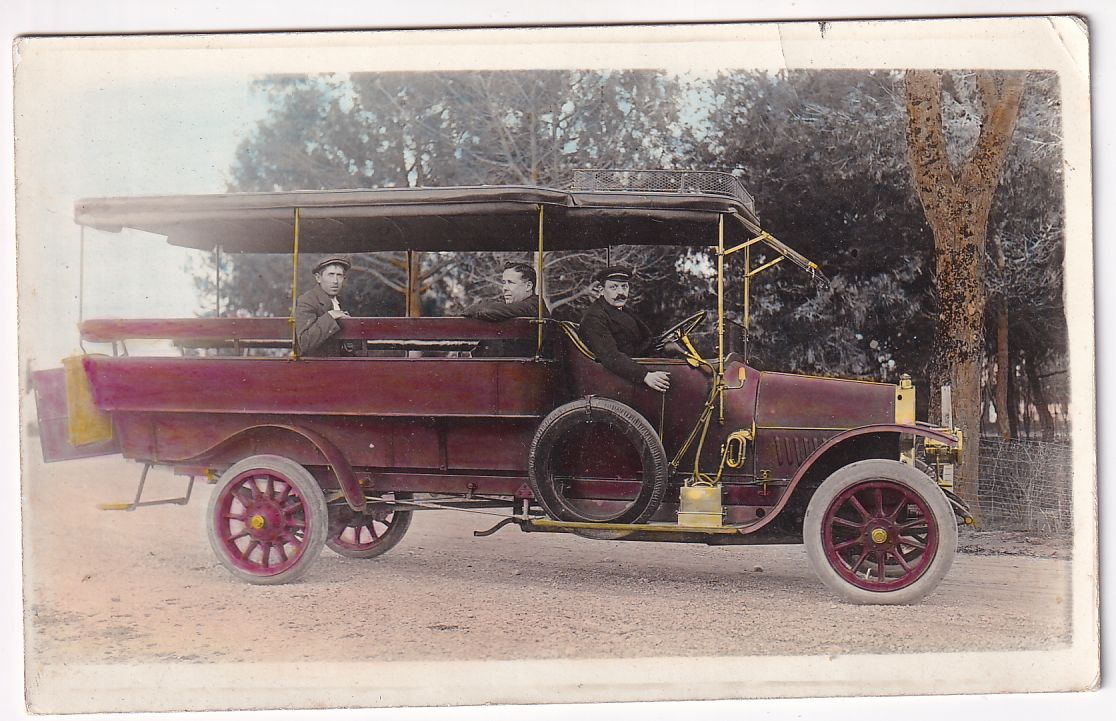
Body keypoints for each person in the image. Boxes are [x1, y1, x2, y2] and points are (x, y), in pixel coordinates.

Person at [578, 266, 675, 392]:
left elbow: (639, 343)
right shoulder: (595, 317)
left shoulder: (622, 311)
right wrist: (645, 375)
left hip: (634, 370)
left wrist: (662, 342)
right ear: (602, 290)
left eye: (624, 286)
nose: (621, 293)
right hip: (617, 382)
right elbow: (610, 356)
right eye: (613, 287)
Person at [462, 261, 547, 357]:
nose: (505, 288)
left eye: (511, 282)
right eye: (504, 283)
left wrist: (476, 307)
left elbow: (486, 310)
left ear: (528, 286)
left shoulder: (534, 306)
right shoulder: (515, 308)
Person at [296, 256, 352, 357]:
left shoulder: (341, 301)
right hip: (315, 365)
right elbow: (305, 342)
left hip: (340, 365)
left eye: (339, 275)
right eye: (330, 275)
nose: (335, 281)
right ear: (318, 278)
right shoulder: (307, 301)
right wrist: (331, 315)